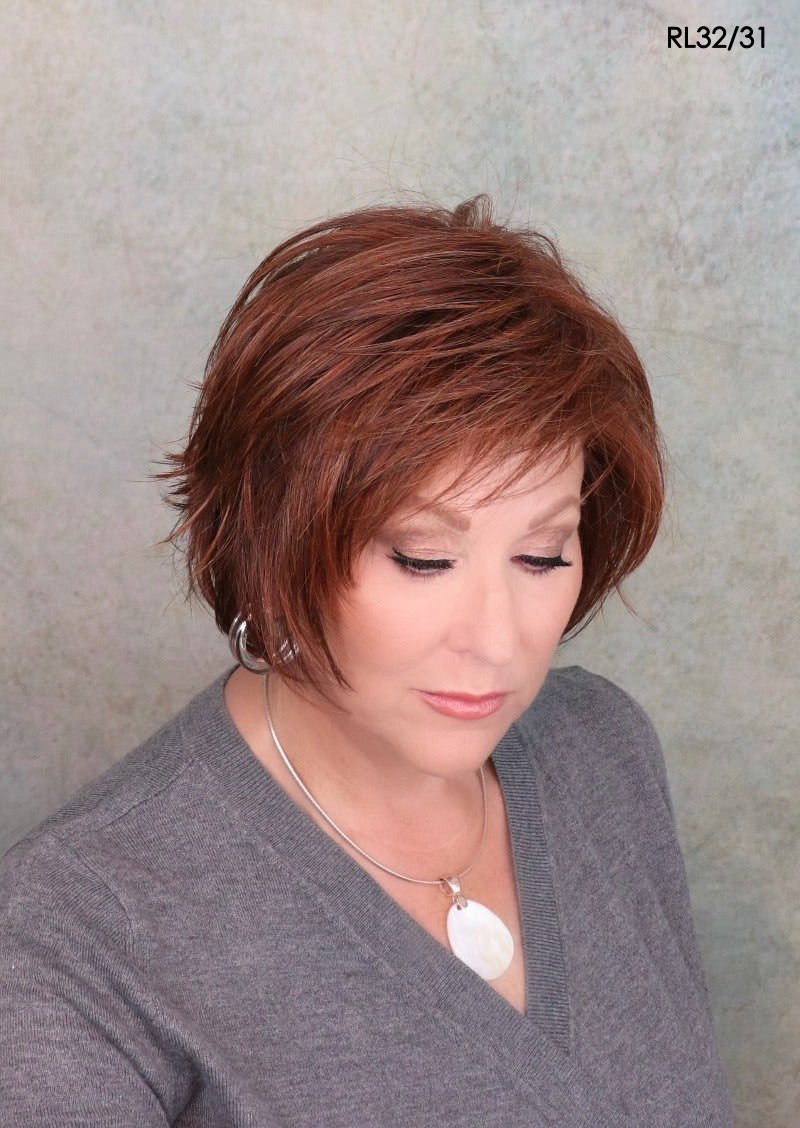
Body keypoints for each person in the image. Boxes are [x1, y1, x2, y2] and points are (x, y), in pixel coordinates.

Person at [0, 195, 734, 1125]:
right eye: (423, 559)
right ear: (272, 540)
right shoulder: (73, 933)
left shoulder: (603, 753)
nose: (497, 640)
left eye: (542, 555)